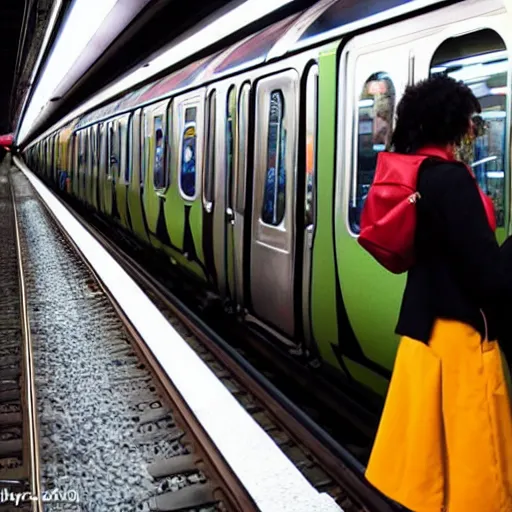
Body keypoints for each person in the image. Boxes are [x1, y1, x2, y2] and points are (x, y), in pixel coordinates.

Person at [364, 74, 512, 511]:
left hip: (424, 339)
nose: (472, 130)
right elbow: (489, 276)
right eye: (470, 121)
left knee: (432, 468)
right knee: (475, 471)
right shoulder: (453, 180)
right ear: (450, 123)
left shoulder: (419, 176)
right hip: (462, 343)